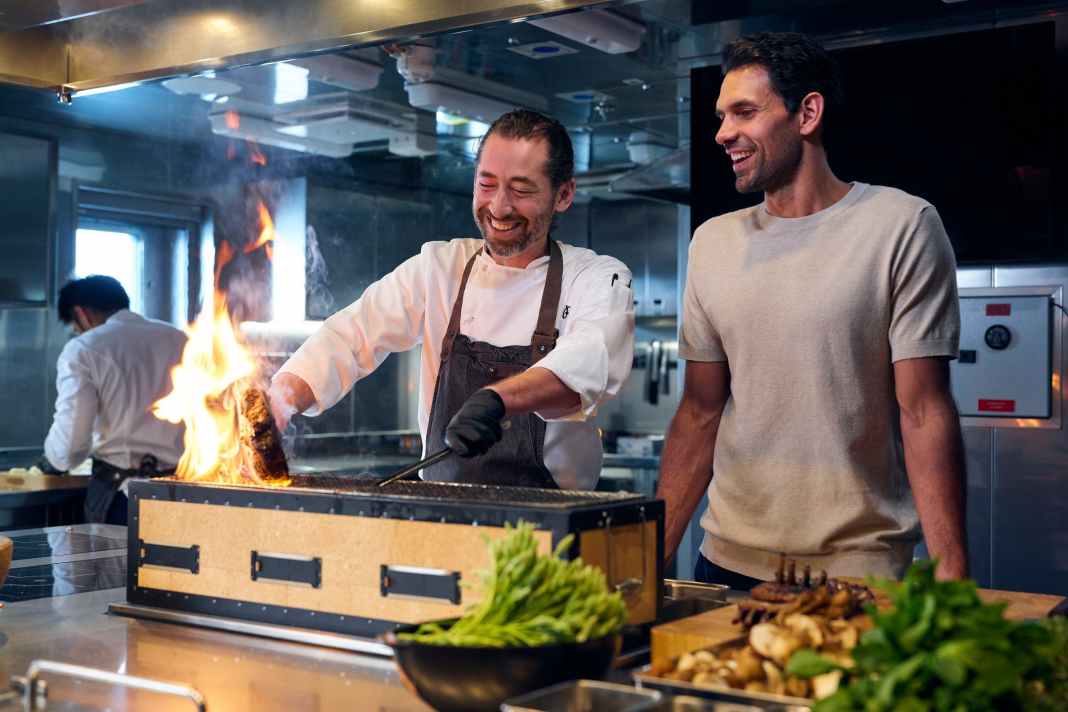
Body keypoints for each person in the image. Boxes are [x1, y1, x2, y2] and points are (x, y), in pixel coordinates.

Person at [658, 32, 967, 588]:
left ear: (807, 113)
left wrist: (952, 577)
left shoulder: (901, 225)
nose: (722, 132)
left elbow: (924, 410)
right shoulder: (712, 243)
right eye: (722, 115)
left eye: (744, 112)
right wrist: (649, 559)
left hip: (858, 574)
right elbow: (699, 412)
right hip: (727, 565)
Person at [270, 110, 634, 489]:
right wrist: (278, 402)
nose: (499, 207)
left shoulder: (594, 278)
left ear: (564, 195)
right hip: (443, 518)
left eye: (522, 190)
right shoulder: (440, 268)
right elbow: (350, 335)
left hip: (551, 528)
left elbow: (590, 360)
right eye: (487, 184)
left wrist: (498, 398)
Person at [42, 275, 187, 525]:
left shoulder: (83, 349)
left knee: (114, 564)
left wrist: (53, 460)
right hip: (185, 491)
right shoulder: (180, 339)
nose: (78, 332)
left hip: (121, 497)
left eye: (75, 327)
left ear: (81, 314)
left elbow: (72, 440)